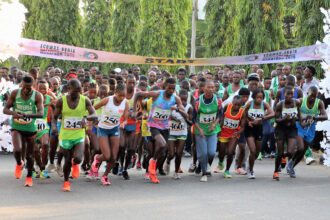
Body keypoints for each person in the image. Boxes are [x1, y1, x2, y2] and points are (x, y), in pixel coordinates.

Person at [133, 78, 184, 183]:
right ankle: (152, 162)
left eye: (173, 89)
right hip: (153, 125)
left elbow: (182, 107)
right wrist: (134, 110)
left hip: (165, 127)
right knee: (162, 145)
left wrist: (181, 110)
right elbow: (138, 95)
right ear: (164, 86)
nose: (171, 90)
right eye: (169, 88)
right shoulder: (157, 94)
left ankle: (153, 172)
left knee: (162, 151)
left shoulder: (175, 98)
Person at [51, 79, 96, 191]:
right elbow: (54, 117)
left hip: (79, 133)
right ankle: (66, 182)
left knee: (78, 158)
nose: (78, 93)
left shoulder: (85, 100)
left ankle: (75, 163)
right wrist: (54, 127)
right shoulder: (61, 101)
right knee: (66, 159)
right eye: (75, 91)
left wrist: (86, 117)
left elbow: (94, 114)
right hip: (65, 134)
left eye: (79, 90)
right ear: (69, 89)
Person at [3, 76, 44, 187]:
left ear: (33, 86)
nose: (26, 90)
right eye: (24, 87)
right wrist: (14, 113)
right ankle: (19, 163)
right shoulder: (15, 93)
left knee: (30, 156)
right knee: (17, 150)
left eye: (29, 88)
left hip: (30, 128)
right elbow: (5, 109)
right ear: (22, 85)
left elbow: (41, 113)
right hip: (17, 126)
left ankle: (29, 176)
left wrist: (27, 115)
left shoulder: (37, 95)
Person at [90, 83, 129, 185]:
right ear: (115, 93)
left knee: (113, 157)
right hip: (103, 129)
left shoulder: (126, 103)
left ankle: (105, 176)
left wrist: (124, 123)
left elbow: (125, 118)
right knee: (107, 156)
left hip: (114, 129)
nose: (121, 98)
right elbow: (93, 108)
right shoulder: (108, 100)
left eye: (123, 96)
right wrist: (94, 118)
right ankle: (97, 158)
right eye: (120, 95)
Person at [289, 86, 328, 174]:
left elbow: (325, 116)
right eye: (311, 96)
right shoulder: (301, 101)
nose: (312, 98)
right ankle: (290, 163)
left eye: (314, 96)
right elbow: (293, 106)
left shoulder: (319, 103)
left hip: (310, 128)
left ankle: (292, 166)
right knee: (300, 148)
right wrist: (300, 118)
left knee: (302, 152)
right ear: (307, 94)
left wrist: (314, 117)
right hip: (299, 126)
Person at [193, 80, 222, 182]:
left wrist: (214, 124)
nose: (211, 89)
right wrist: (199, 129)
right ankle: (204, 172)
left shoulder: (218, 100)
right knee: (203, 153)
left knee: (211, 153)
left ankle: (206, 165)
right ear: (203, 88)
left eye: (212, 87)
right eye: (208, 87)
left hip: (212, 130)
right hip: (200, 130)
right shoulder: (197, 101)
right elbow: (193, 118)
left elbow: (220, 114)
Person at [244, 88, 274, 179]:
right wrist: (247, 121)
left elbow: (273, 114)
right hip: (249, 128)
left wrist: (262, 118)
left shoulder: (264, 105)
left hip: (259, 129)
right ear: (254, 97)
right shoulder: (249, 104)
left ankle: (250, 162)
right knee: (252, 150)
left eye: (261, 97)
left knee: (256, 153)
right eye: (257, 97)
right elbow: (243, 114)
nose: (259, 99)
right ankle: (251, 171)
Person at [273, 86, 300, 180]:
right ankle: (276, 171)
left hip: (292, 128)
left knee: (291, 151)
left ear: (293, 95)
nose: (289, 96)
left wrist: (294, 118)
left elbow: (299, 117)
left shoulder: (296, 103)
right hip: (280, 128)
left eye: (291, 94)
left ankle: (285, 157)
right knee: (279, 153)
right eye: (287, 94)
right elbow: (276, 119)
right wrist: (284, 119)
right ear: (284, 95)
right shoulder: (280, 104)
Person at [164, 90, 192, 179]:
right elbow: (165, 116)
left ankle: (176, 172)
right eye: (181, 100)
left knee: (179, 153)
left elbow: (190, 121)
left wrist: (180, 111)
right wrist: (172, 117)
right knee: (172, 154)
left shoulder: (189, 107)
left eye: (185, 100)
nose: (183, 102)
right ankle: (168, 161)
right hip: (172, 132)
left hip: (182, 132)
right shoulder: (171, 106)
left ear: (187, 99)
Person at [218, 95, 246, 178]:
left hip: (234, 134)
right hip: (224, 132)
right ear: (232, 103)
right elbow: (221, 117)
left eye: (238, 105)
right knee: (222, 152)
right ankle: (220, 161)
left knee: (230, 152)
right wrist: (219, 127)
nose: (236, 106)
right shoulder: (227, 106)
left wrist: (238, 132)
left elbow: (243, 126)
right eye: (235, 104)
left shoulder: (242, 112)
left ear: (241, 105)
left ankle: (227, 170)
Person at [34, 79, 55, 178]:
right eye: (40, 88)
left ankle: (43, 168)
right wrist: (48, 104)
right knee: (34, 150)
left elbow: (58, 101)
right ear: (36, 88)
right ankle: (34, 168)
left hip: (43, 126)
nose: (42, 90)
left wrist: (52, 96)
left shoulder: (49, 98)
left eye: (45, 89)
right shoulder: (32, 98)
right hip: (32, 126)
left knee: (45, 145)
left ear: (48, 89)